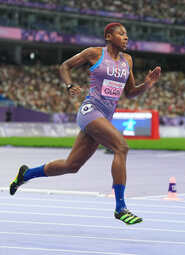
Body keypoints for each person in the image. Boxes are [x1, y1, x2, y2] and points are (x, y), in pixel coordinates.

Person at [9, 22, 161, 225]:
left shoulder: (128, 61)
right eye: (121, 34)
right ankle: (120, 207)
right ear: (108, 36)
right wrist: (69, 84)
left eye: (127, 35)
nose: (126, 37)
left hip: (104, 117)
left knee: (71, 165)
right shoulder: (94, 53)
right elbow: (65, 66)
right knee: (121, 147)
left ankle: (26, 174)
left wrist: (147, 84)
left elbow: (131, 93)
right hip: (90, 111)